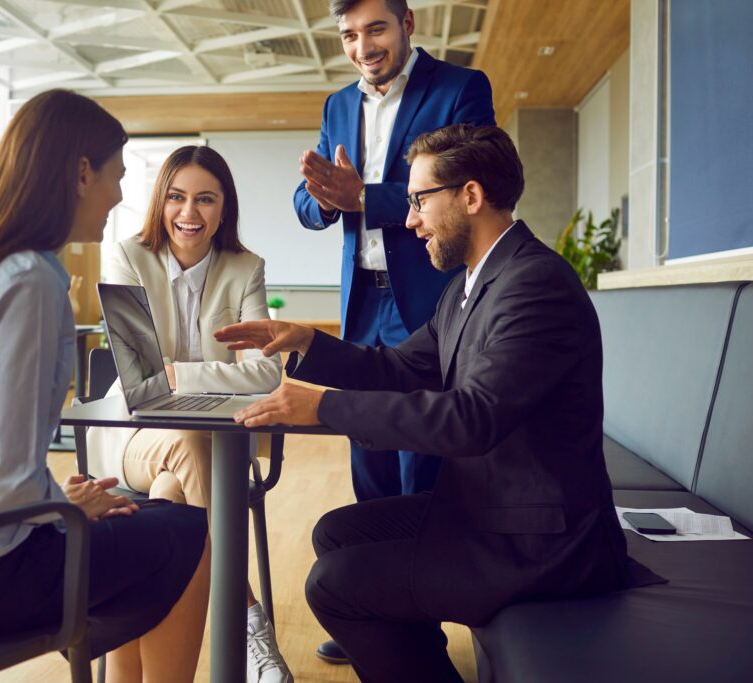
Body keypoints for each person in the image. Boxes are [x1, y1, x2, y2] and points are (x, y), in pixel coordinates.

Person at [218, 124, 657, 682]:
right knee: (336, 532)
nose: (409, 220)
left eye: (419, 200)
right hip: (486, 510)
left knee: (333, 585)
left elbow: (471, 420)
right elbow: (400, 368)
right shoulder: (472, 282)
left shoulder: (535, 285)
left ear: (471, 196)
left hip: (539, 541)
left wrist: (324, 406)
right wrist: (307, 341)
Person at [0, 90, 210, 683]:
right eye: (116, 177)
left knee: (148, 518)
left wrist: (53, 502)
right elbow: (6, 484)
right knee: (189, 532)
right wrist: (58, 510)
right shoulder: (30, 278)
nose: (122, 196)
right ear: (81, 173)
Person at [294, 1, 495, 660]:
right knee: (369, 460)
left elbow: (474, 177)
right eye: (349, 35)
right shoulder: (335, 107)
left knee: (422, 467)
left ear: (408, 24)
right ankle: (372, 608)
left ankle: (422, 623)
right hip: (362, 305)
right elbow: (307, 202)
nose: (362, 47)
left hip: (428, 305)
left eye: (375, 29)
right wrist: (323, 198)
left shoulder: (459, 89)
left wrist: (365, 197)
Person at [87, 145, 291, 683]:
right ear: (160, 203)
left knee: (169, 498)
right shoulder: (127, 256)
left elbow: (266, 373)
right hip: (131, 436)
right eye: (177, 197)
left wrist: (181, 374)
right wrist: (197, 375)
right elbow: (139, 378)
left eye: (206, 199)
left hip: (211, 447)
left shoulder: (245, 268)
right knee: (185, 444)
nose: (189, 213)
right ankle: (247, 617)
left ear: (224, 209)